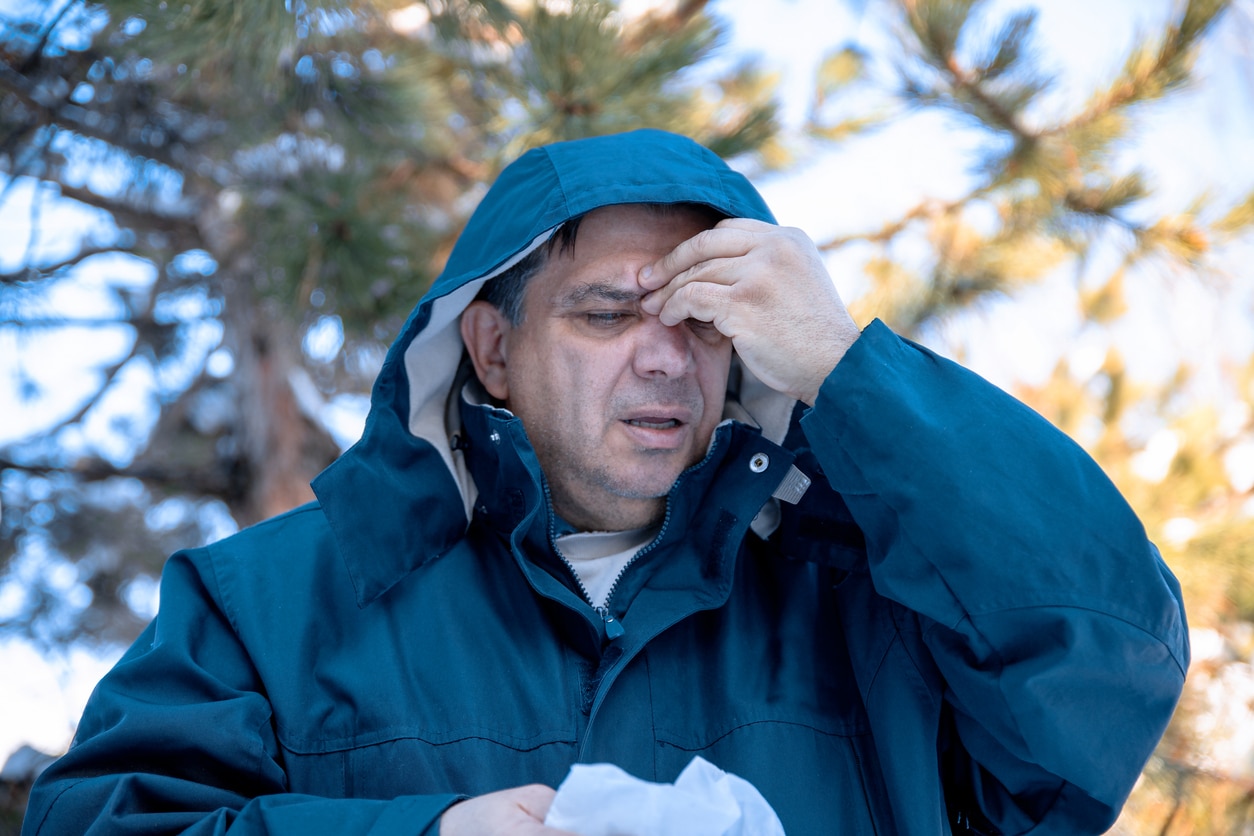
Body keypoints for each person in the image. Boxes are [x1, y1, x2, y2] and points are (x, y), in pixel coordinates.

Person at [23, 129, 1188, 836]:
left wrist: (847, 366)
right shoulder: (273, 602)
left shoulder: (872, 604)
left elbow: (1106, 663)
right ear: (490, 348)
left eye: (704, 318)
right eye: (607, 311)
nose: (666, 352)